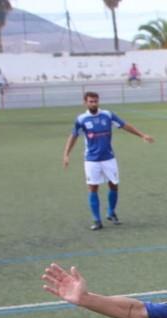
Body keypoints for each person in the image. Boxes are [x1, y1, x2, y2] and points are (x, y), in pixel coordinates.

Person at [63, 91, 154, 231]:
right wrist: (66, 154)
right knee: (93, 188)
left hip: (109, 158)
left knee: (114, 185)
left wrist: (142, 135)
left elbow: (124, 125)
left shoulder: (107, 115)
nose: (94, 103)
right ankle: (97, 220)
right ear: (85, 102)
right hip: (91, 160)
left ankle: (111, 212)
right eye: (91, 101)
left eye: (95, 101)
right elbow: (73, 136)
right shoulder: (81, 119)